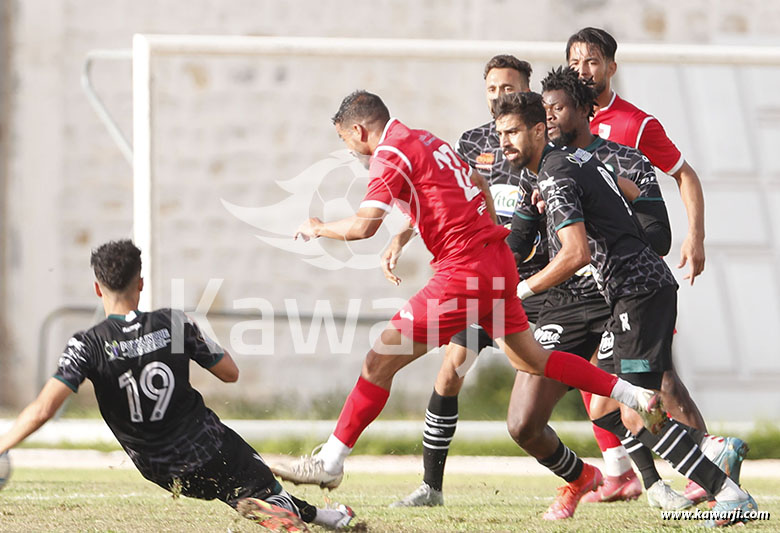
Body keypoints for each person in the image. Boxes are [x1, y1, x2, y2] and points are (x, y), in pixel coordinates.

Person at [271, 90, 665, 494]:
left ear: (358, 130)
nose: (350, 149)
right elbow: (474, 181)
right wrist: (484, 234)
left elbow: (362, 226)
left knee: (378, 361)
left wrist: (317, 226)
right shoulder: (425, 139)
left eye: (345, 140)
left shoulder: (390, 153)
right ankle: (628, 399)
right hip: (494, 261)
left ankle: (330, 461)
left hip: (464, 272)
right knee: (534, 359)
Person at [0, 240, 355, 532]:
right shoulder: (173, 323)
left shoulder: (86, 344)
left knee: (243, 490)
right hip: (206, 443)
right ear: (140, 283)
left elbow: (42, 409)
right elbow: (230, 373)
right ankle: (290, 516)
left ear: (96, 287)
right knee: (259, 488)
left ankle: (326, 518)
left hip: (156, 467)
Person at [496, 91, 757, 527]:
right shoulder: (578, 159)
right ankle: (675, 480)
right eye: (500, 133)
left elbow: (575, 253)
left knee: (637, 407)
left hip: (637, 291)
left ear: (539, 129)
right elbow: (624, 190)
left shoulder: (556, 175)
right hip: (635, 290)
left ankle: (727, 491)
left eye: (512, 132)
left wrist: (522, 291)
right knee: (605, 407)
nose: (503, 142)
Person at [566, 27, 726, 504]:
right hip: (590, 275)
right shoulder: (559, 123)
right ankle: (623, 472)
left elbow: (684, 174)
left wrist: (695, 235)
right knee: (591, 373)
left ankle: (709, 457)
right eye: (575, 61)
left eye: (592, 61)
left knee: (657, 378)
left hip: (634, 275)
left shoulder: (635, 124)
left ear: (611, 68)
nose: (582, 70)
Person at [389, 54, 552, 508]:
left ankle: (620, 470)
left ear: (528, 90)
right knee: (451, 371)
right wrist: (400, 238)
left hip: (540, 280)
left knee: (548, 376)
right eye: (492, 89)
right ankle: (431, 486)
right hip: (485, 283)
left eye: (509, 87)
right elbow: (438, 196)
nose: (500, 96)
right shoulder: (472, 141)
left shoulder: (544, 140)